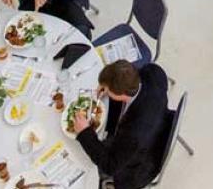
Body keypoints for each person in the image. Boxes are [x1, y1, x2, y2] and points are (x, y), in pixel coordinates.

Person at [73, 60, 171, 189]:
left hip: (139, 167)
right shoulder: (153, 73)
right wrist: (108, 85)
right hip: (161, 123)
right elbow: (142, 71)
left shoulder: (133, 133)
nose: (106, 91)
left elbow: (109, 166)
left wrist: (84, 132)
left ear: (121, 94)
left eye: (109, 90)